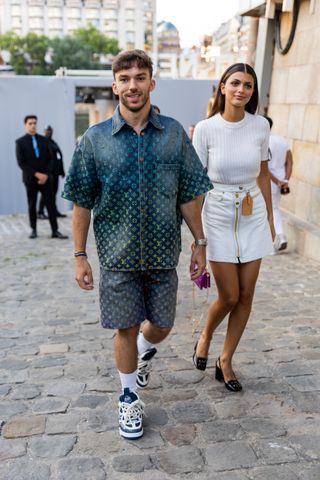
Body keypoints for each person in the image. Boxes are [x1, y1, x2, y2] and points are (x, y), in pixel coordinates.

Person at [62, 49, 212, 439]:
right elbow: (81, 201)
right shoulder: (94, 140)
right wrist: (80, 256)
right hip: (117, 255)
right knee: (125, 328)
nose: (133, 85)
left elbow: (189, 193)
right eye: (125, 79)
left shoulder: (174, 133)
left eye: (140, 77)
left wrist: (199, 242)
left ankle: (145, 350)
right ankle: (128, 398)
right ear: (114, 85)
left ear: (151, 83)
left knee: (161, 325)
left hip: (164, 253)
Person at [192, 63, 275, 392]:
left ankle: (225, 360)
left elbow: (264, 174)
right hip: (218, 213)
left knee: (247, 295)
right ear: (223, 87)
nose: (242, 90)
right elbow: (198, 185)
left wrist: (268, 219)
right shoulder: (206, 129)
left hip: (252, 212)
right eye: (236, 83)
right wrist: (199, 238)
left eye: (249, 86)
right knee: (228, 296)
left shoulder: (260, 126)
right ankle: (206, 334)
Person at [15, 115, 68, 240]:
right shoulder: (20, 142)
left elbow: (50, 159)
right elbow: (21, 163)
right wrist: (36, 174)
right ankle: (33, 230)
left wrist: (45, 174)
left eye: (34, 123)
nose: (33, 125)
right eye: (30, 123)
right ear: (25, 125)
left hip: (45, 178)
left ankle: (55, 230)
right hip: (30, 179)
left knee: (50, 204)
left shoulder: (44, 140)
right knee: (32, 205)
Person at [264, 116, 293, 251]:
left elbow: (263, 168)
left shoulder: (263, 142)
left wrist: (277, 182)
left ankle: (277, 238)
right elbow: (290, 162)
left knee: (270, 210)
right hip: (280, 179)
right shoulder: (282, 140)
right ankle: (278, 237)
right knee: (274, 208)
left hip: (268, 180)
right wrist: (285, 180)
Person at [38, 125, 66, 219]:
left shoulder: (53, 142)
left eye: (50, 130)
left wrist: (62, 171)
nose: (49, 132)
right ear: (44, 131)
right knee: (46, 192)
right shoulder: (42, 142)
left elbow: (59, 157)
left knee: (54, 192)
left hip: (56, 172)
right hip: (48, 173)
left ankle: (54, 211)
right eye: (47, 131)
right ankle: (40, 212)